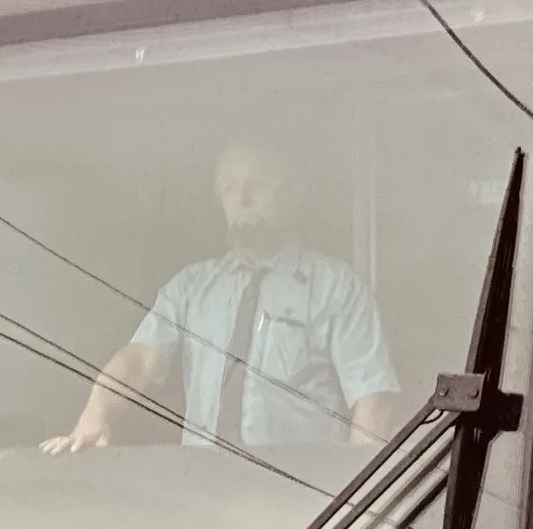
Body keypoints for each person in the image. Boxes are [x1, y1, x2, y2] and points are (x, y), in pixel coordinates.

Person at [48, 142, 401, 453]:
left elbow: (372, 397)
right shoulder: (190, 288)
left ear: (293, 192)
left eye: (257, 183)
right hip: (205, 493)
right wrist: (96, 414)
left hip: (301, 499)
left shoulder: (337, 288)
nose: (242, 197)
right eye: (230, 187)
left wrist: (357, 494)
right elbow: (140, 359)